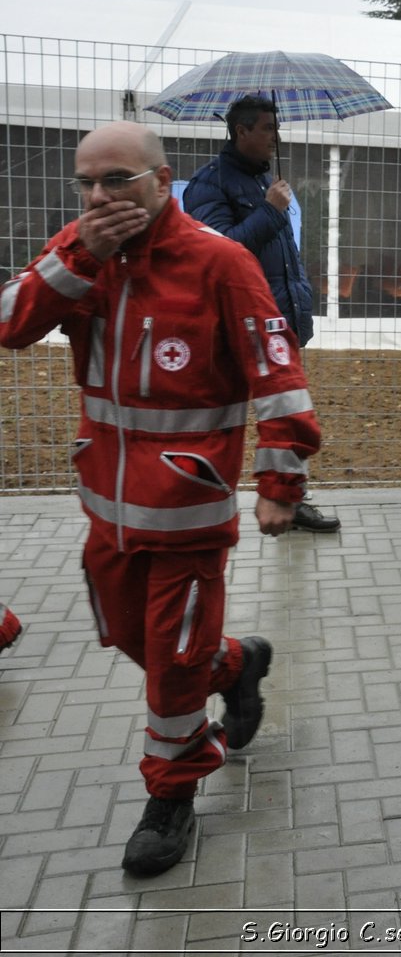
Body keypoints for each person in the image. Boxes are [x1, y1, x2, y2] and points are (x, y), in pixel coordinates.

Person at [0, 122, 322, 877]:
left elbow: (278, 370)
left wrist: (281, 480)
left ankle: (171, 792)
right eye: (87, 183)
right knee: (128, 637)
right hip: (106, 509)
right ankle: (237, 662)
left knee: (172, 663)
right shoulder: (82, 252)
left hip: (188, 511)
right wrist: (84, 252)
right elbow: (11, 321)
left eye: (118, 180)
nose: (100, 197)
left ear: (161, 179)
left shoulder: (220, 260)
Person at [184, 96, 339, 534]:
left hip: (278, 320)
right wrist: (271, 210)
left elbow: (279, 253)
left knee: (286, 413)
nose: (276, 136)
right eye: (269, 128)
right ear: (242, 131)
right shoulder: (208, 185)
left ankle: (292, 499)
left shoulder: (263, 180)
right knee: (224, 419)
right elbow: (220, 254)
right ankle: (203, 497)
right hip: (238, 327)